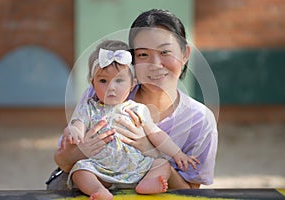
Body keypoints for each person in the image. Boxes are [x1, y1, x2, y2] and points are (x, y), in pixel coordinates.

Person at [46, 8, 218, 191]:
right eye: (143, 54)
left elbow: (190, 191)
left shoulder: (200, 120)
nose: (155, 65)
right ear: (132, 60)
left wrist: (151, 151)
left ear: (184, 54)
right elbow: (62, 161)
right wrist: (83, 148)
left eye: (165, 52)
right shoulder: (101, 93)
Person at [66, 40, 199, 199]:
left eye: (119, 80)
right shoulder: (89, 108)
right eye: (103, 81)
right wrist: (74, 131)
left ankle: (148, 184)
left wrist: (178, 154)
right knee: (79, 170)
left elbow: (156, 134)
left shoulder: (138, 109)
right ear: (93, 84)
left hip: (136, 168)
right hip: (100, 168)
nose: (111, 87)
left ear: (132, 84)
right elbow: (77, 123)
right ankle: (98, 190)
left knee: (162, 164)